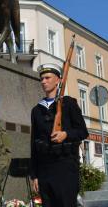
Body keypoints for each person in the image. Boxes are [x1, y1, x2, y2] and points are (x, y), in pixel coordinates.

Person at [28, 63, 88, 207]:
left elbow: (82, 131)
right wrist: (34, 175)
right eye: (41, 78)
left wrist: (65, 134)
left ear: (58, 80)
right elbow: (34, 142)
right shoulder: (36, 110)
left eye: (48, 78)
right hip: (44, 168)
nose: (43, 81)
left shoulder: (69, 103)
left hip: (65, 166)